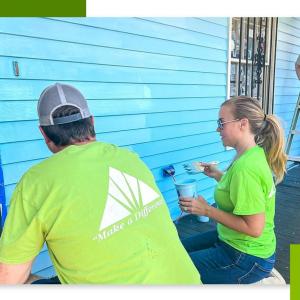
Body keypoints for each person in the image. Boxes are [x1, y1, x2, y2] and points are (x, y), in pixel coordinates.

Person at [0, 83, 201, 284]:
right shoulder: (130, 159)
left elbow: (7, 280)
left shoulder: (36, 182)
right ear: (92, 121)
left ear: (44, 134)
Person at [179, 96, 287, 284]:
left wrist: (206, 210)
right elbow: (240, 190)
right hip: (233, 241)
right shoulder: (250, 153)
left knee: (176, 267)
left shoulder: (246, 167)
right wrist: (218, 175)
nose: (217, 129)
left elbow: (254, 228)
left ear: (242, 124)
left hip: (247, 257)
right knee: (176, 249)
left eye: (221, 123)